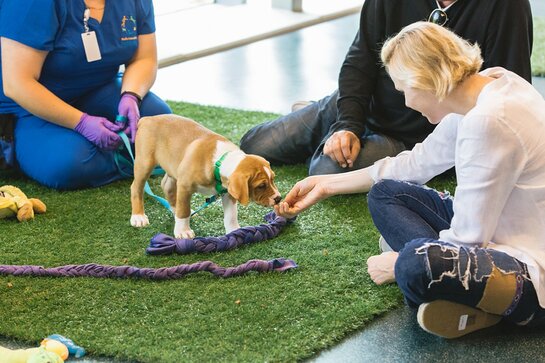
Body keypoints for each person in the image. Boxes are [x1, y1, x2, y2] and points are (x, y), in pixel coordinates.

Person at [274, 22, 545, 338]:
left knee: (412, 266)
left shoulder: (487, 122)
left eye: (404, 90)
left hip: (530, 271)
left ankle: (482, 302)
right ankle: (466, 298)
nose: (406, 102)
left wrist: (397, 262)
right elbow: (416, 163)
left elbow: (468, 239)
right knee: (385, 194)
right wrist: (326, 184)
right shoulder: (495, 84)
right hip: (502, 232)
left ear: (424, 81)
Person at [240, 0, 533, 176]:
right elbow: (361, 57)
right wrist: (347, 124)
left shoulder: (507, 7)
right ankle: (329, 121)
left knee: (324, 169)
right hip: (364, 103)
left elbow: (504, 89)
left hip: (414, 135)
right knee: (254, 145)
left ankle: (320, 128)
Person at [0, 0, 171, 189]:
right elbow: (17, 84)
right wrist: (81, 122)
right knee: (69, 163)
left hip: (97, 87)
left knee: (161, 124)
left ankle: (119, 154)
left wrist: (131, 95)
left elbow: (144, 58)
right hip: (25, 109)